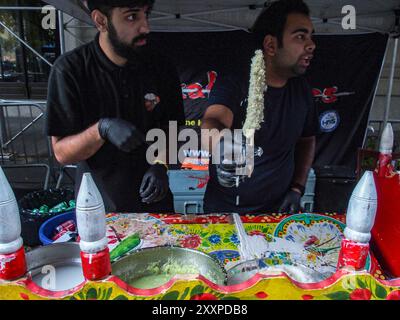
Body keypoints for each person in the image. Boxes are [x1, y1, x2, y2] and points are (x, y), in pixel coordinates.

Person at [45, 0, 184, 213]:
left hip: (157, 206)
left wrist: (161, 164)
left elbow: (174, 130)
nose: (145, 27)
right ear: (101, 21)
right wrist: (101, 129)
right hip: (99, 209)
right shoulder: (70, 70)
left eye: (146, 15)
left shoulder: (160, 66)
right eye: (131, 17)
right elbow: (62, 153)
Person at [201, 0, 318, 214]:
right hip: (226, 211)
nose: (311, 45)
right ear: (271, 45)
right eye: (301, 37)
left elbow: (307, 140)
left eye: (310, 36)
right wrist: (223, 146)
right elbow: (213, 121)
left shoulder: (301, 90)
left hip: (279, 210)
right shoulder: (236, 81)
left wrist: (297, 188)